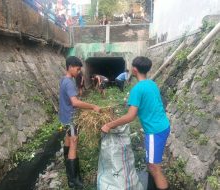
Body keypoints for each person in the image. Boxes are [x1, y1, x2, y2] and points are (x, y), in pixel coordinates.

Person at [101, 56, 170, 190]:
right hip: (162, 126)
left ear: (134, 69)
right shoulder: (152, 83)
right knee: (151, 164)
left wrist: (109, 124)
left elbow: (130, 116)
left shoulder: (137, 89)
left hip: (155, 131)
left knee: (154, 167)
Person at [59, 56, 100, 189]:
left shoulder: (63, 80)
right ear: (70, 67)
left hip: (65, 116)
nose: (78, 72)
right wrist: (93, 106)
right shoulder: (69, 82)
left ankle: (67, 168)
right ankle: (73, 180)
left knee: (68, 138)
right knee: (74, 142)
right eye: (77, 69)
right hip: (71, 118)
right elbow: (75, 102)